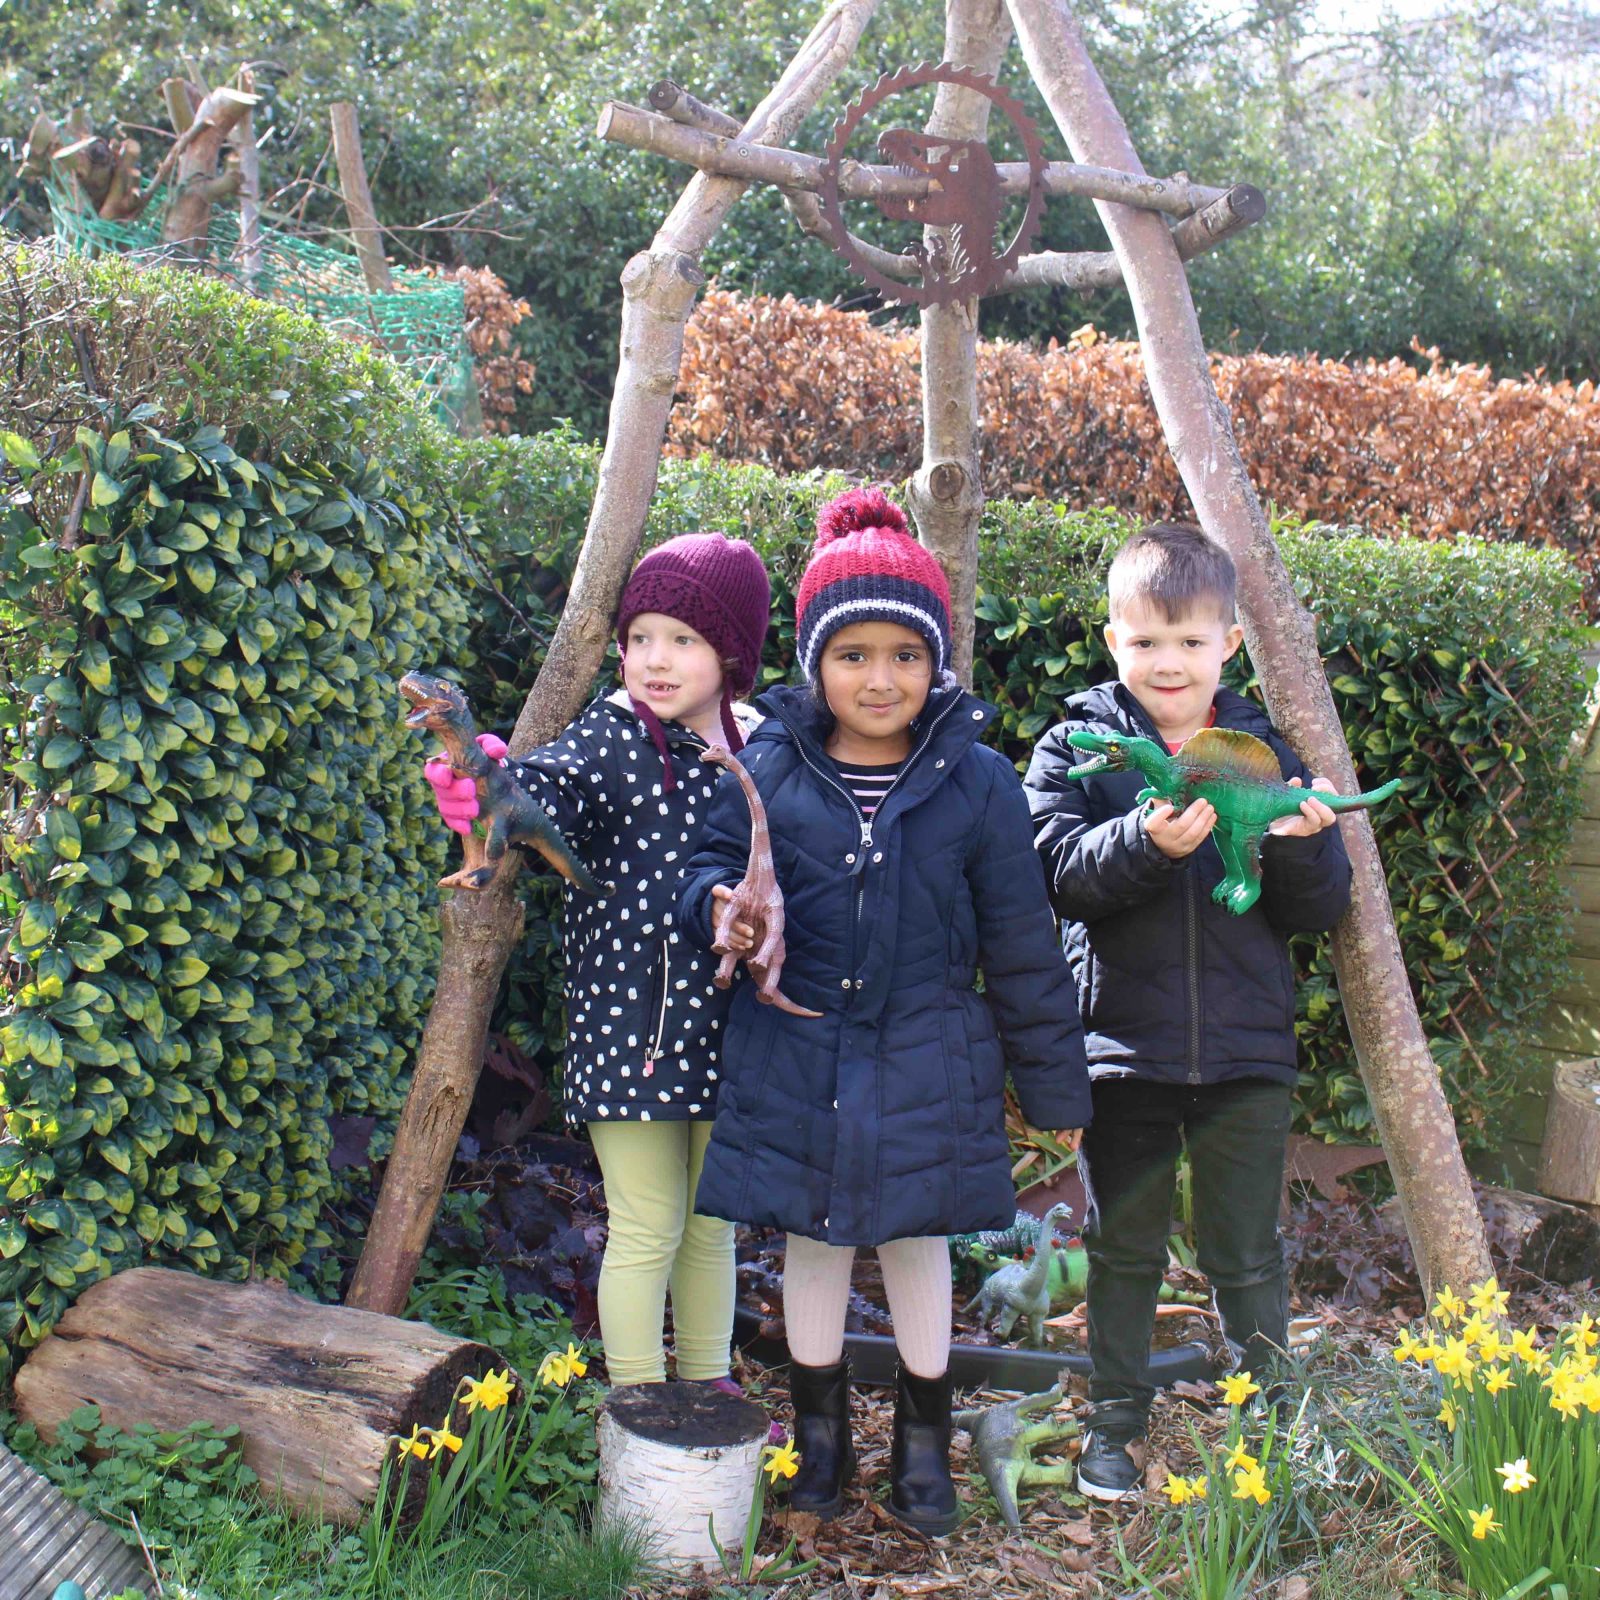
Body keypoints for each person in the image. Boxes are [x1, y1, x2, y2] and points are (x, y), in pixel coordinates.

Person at [678, 488, 1090, 1535]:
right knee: (809, 1247)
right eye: (852, 653)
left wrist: (1052, 1085)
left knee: (917, 1247)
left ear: (936, 663)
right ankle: (820, 1451)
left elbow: (1022, 944)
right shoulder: (767, 765)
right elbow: (712, 871)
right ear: (816, 662)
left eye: (903, 655)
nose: (879, 677)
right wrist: (718, 912)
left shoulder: (978, 782)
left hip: (927, 1057)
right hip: (797, 1051)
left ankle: (922, 1451)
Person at [1022, 522, 1351, 1502]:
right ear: (1111, 638)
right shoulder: (1077, 746)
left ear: (1229, 644)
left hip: (1248, 1055)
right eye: (1146, 640)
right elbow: (1056, 876)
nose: (1168, 662)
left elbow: (1319, 908)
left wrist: (1297, 841)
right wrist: (1142, 842)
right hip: (1122, 1050)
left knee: (1245, 1250)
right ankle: (1113, 1426)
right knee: (1123, 1247)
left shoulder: (1266, 754)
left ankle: (1273, 1423)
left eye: (1190, 640)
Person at [425, 532, 772, 1394]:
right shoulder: (613, 736)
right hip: (632, 1031)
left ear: (731, 654)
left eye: (682, 640)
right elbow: (549, 792)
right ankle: (639, 1401)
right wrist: (488, 785)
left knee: (711, 1224)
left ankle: (704, 1387)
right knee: (650, 1222)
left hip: (735, 1031)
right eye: (640, 637)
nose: (654, 660)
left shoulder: (764, 749)